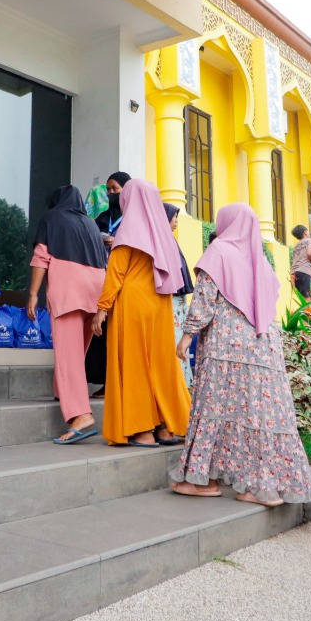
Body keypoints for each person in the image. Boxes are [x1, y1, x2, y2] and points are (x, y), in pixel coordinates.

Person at [170, 203, 311, 506]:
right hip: (264, 347)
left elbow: (205, 300)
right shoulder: (259, 259)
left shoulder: (219, 251)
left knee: (214, 406)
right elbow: (270, 299)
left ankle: (204, 480)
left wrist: (187, 336)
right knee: (256, 414)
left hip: (226, 345)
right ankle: (258, 486)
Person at [93, 179, 191, 446]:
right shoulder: (164, 234)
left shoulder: (129, 230)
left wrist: (102, 309)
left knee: (135, 364)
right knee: (161, 365)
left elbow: (115, 274)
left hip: (133, 304)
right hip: (161, 305)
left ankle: (143, 430)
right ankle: (167, 428)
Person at [28, 186, 107, 445]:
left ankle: (80, 414)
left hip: (69, 289)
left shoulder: (51, 218)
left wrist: (33, 295)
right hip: (96, 289)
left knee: (68, 353)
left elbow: (41, 258)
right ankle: (61, 391)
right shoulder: (91, 224)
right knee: (76, 351)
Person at [85, 172, 133, 390]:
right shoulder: (104, 216)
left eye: (116, 189)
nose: (112, 193)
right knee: (103, 332)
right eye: (109, 190)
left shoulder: (134, 216)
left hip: (126, 280)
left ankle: (121, 382)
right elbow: (89, 236)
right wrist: (101, 238)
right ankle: (106, 381)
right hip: (102, 278)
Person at [164, 203, 196, 387]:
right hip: (170, 301)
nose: (175, 221)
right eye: (172, 217)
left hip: (178, 301)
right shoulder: (163, 241)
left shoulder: (170, 240)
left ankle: (182, 382)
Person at [290, 225, 311, 301]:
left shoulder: (296, 246)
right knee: (307, 299)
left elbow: (298, 263)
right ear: (305, 232)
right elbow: (309, 254)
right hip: (303, 273)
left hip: (294, 274)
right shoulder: (310, 240)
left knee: (303, 299)